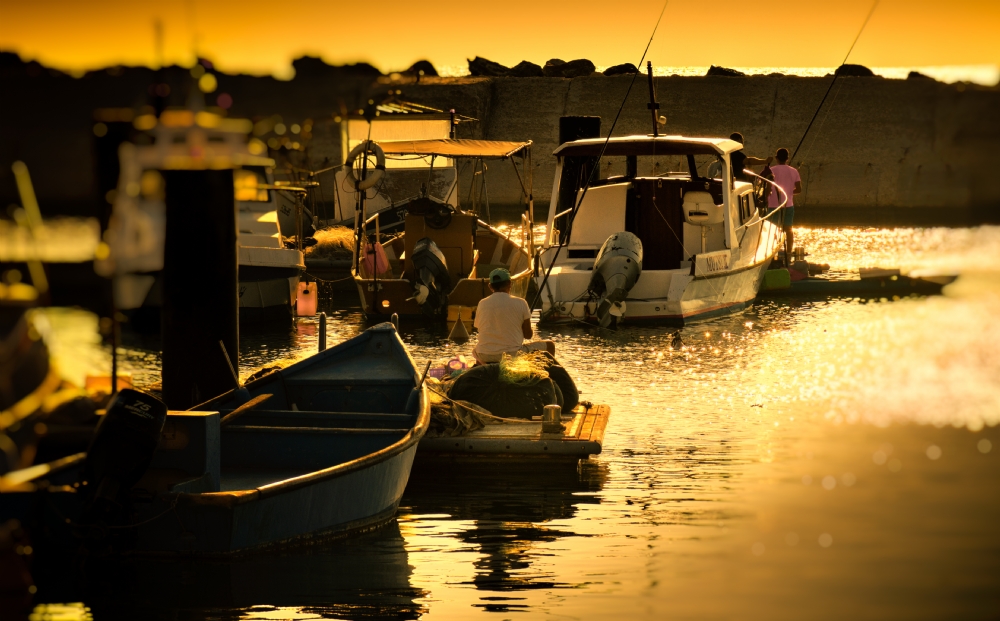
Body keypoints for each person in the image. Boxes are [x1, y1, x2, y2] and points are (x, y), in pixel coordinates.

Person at [472, 268, 555, 364]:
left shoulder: (482, 303)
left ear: (490, 286)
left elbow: (480, 329)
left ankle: (481, 369)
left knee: (479, 349)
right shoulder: (521, 302)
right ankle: (550, 375)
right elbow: (528, 335)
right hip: (511, 355)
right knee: (550, 345)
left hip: (484, 355)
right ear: (509, 284)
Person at [767, 147, 802, 262]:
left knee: (771, 229)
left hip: (772, 205)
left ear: (776, 158)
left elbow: (766, 189)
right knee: (788, 229)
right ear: (788, 158)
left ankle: (771, 252)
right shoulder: (794, 171)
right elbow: (799, 189)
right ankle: (788, 253)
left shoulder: (770, 170)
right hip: (788, 204)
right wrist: (789, 192)